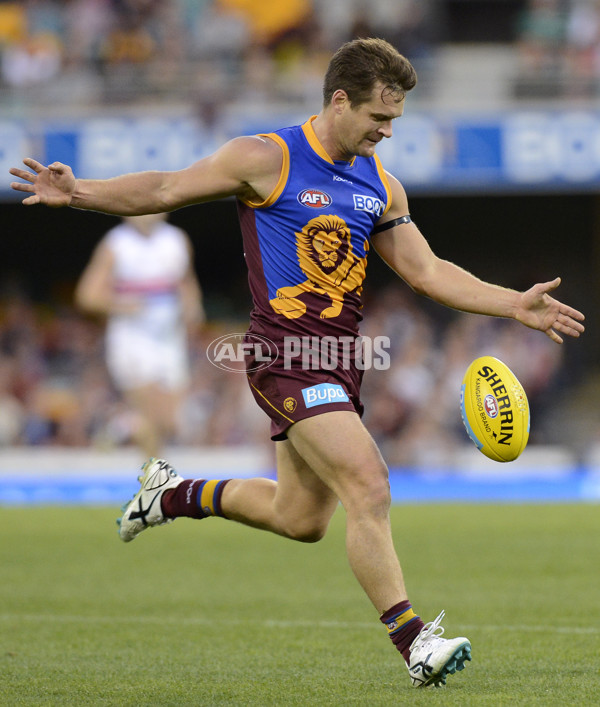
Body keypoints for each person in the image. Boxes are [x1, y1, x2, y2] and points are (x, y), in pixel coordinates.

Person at [9, 37, 585, 688]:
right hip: (284, 356)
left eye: (394, 119)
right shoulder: (266, 158)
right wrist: (80, 190)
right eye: (379, 117)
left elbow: (426, 271)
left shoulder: (380, 184)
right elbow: (167, 186)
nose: (387, 132)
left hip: (338, 362)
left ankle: (170, 494)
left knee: (301, 517)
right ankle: (416, 643)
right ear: (340, 101)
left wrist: (513, 304)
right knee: (368, 482)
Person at [74, 213, 204, 459]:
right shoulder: (115, 243)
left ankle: (120, 425)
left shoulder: (176, 239)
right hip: (132, 340)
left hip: (169, 340)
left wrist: (193, 307)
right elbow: (87, 296)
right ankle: (156, 483)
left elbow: (186, 281)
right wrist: (123, 304)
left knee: (169, 422)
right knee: (150, 416)